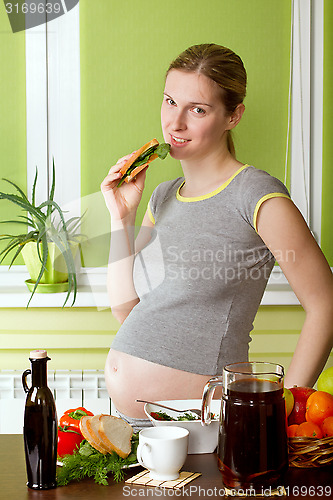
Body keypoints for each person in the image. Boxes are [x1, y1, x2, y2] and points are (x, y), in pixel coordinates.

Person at [101, 44, 333, 430]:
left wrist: (283, 412)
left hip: (204, 428)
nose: (175, 124)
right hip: (137, 427)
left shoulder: (256, 195)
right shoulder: (163, 195)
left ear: (233, 116)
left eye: (197, 109)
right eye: (169, 101)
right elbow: (126, 309)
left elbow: (325, 304)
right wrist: (120, 219)